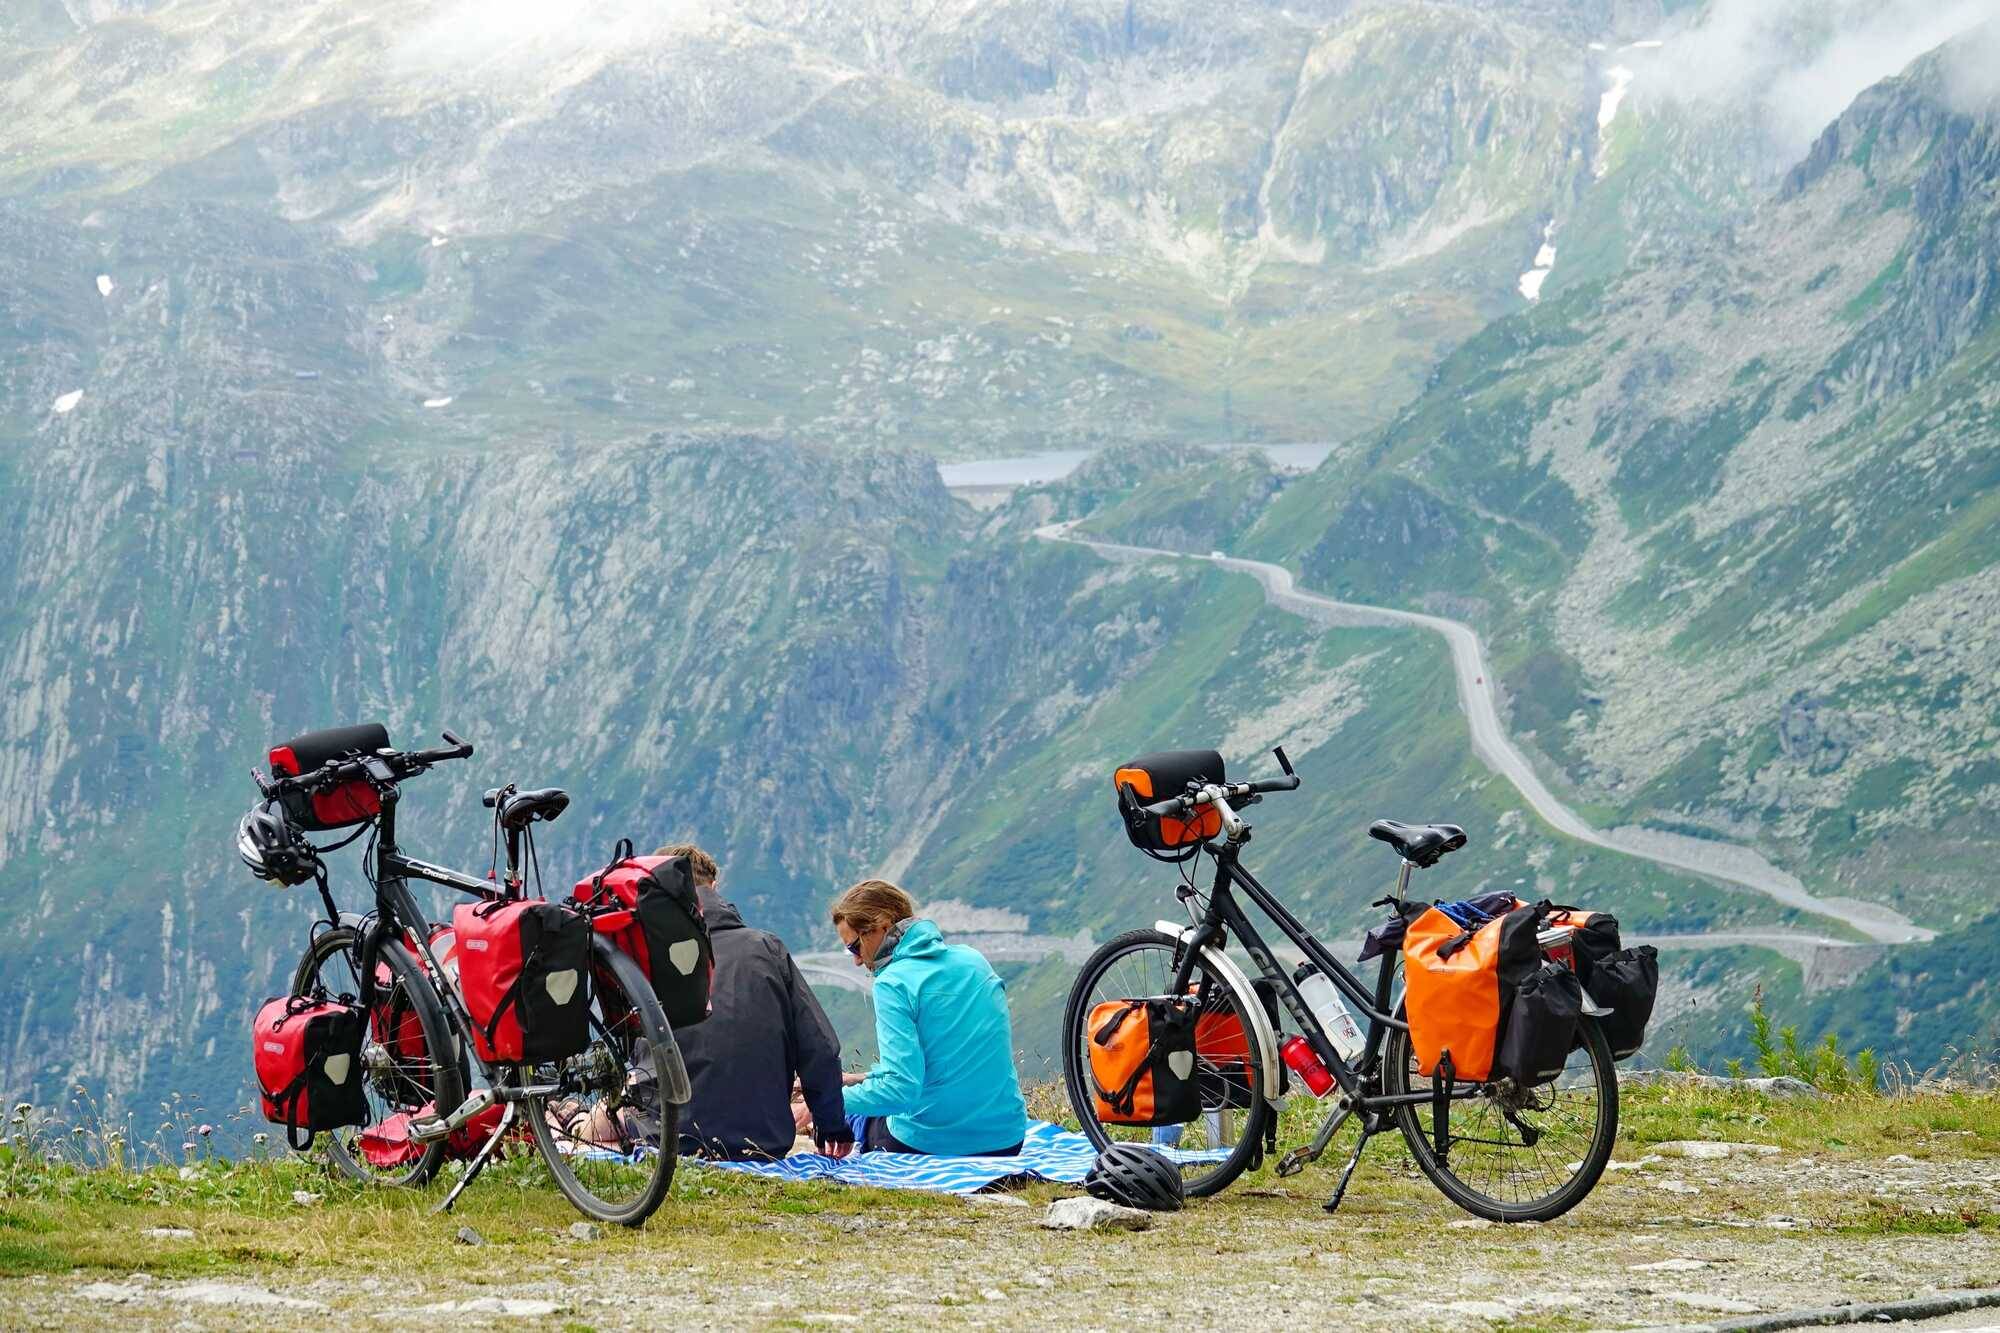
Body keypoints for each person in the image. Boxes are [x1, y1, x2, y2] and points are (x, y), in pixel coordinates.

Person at [658, 843, 852, 1160]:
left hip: (668, 1138)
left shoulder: (649, 956)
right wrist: (831, 1126)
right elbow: (820, 1049)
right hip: (763, 1142)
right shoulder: (767, 949)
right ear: (715, 887)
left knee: (598, 1121)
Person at [832, 879, 1027, 1156]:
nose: (856, 960)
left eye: (854, 947)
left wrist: (822, 1101)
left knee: (853, 1116)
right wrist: (856, 1079)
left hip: (930, 1143)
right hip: (1006, 1140)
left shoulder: (892, 984)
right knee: (854, 1101)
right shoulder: (974, 960)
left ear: (883, 927)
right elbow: (946, 1061)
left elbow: (900, 1091)